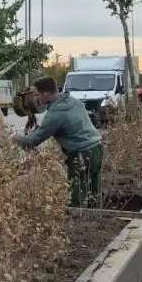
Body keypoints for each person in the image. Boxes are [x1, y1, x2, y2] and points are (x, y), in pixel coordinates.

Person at [15, 76, 104, 207]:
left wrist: (14, 138)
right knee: (94, 194)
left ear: (45, 93)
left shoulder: (56, 114)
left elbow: (32, 141)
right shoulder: (73, 101)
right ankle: (97, 221)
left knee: (76, 199)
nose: (36, 99)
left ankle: (77, 222)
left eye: (37, 94)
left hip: (82, 155)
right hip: (97, 148)